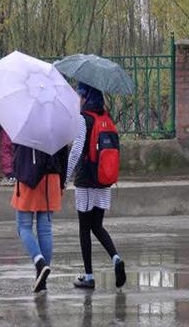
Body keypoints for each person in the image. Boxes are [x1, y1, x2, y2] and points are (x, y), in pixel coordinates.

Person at [66, 82, 126, 290]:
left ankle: (89, 277)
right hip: (104, 179)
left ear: (86, 97)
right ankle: (116, 258)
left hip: (85, 180)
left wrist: (65, 177)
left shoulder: (84, 119)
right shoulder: (106, 118)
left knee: (84, 228)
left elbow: (75, 152)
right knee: (97, 226)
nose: (78, 100)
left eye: (80, 96)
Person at [12, 143, 69, 293]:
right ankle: (42, 280)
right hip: (52, 179)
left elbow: (16, 155)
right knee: (45, 231)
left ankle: (39, 262)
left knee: (23, 227)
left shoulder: (25, 124)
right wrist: (61, 183)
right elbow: (64, 157)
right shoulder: (56, 125)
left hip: (29, 178)